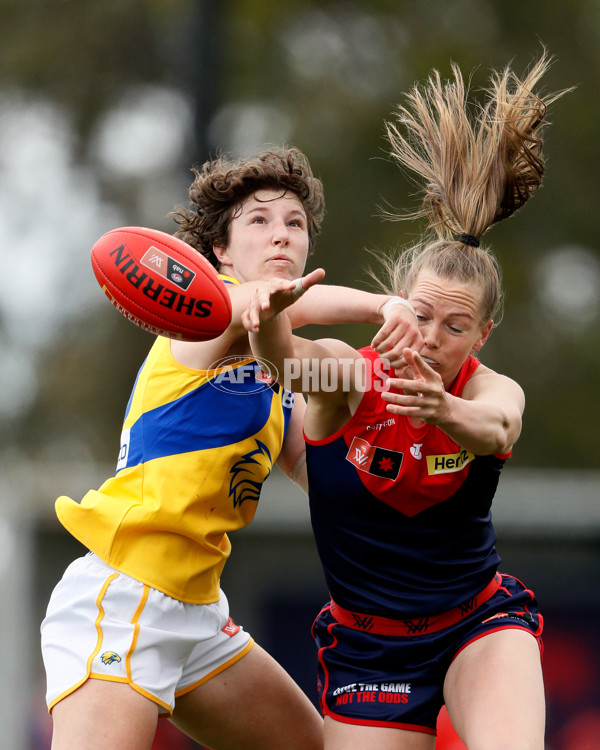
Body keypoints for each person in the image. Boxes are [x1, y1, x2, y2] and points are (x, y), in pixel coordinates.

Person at [40, 146, 422, 750]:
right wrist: (384, 304)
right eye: (259, 222)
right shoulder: (208, 314)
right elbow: (263, 308)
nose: (281, 237)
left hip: (198, 612)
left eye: (295, 224)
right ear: (220, 251)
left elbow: (327, 478)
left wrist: (408, 473)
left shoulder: (281, 381)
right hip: (122, 597)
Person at [242, 52, 569, 750]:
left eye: (456, 327)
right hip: (370, 651)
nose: (433, 337)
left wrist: (442, 411)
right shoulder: (351, 381)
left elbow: (497, 423)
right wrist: (271, 310)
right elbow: (288, 361)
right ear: (397, 304)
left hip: (477, 620)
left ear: (482, 332)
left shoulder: (483, 389)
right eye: (420, 316)